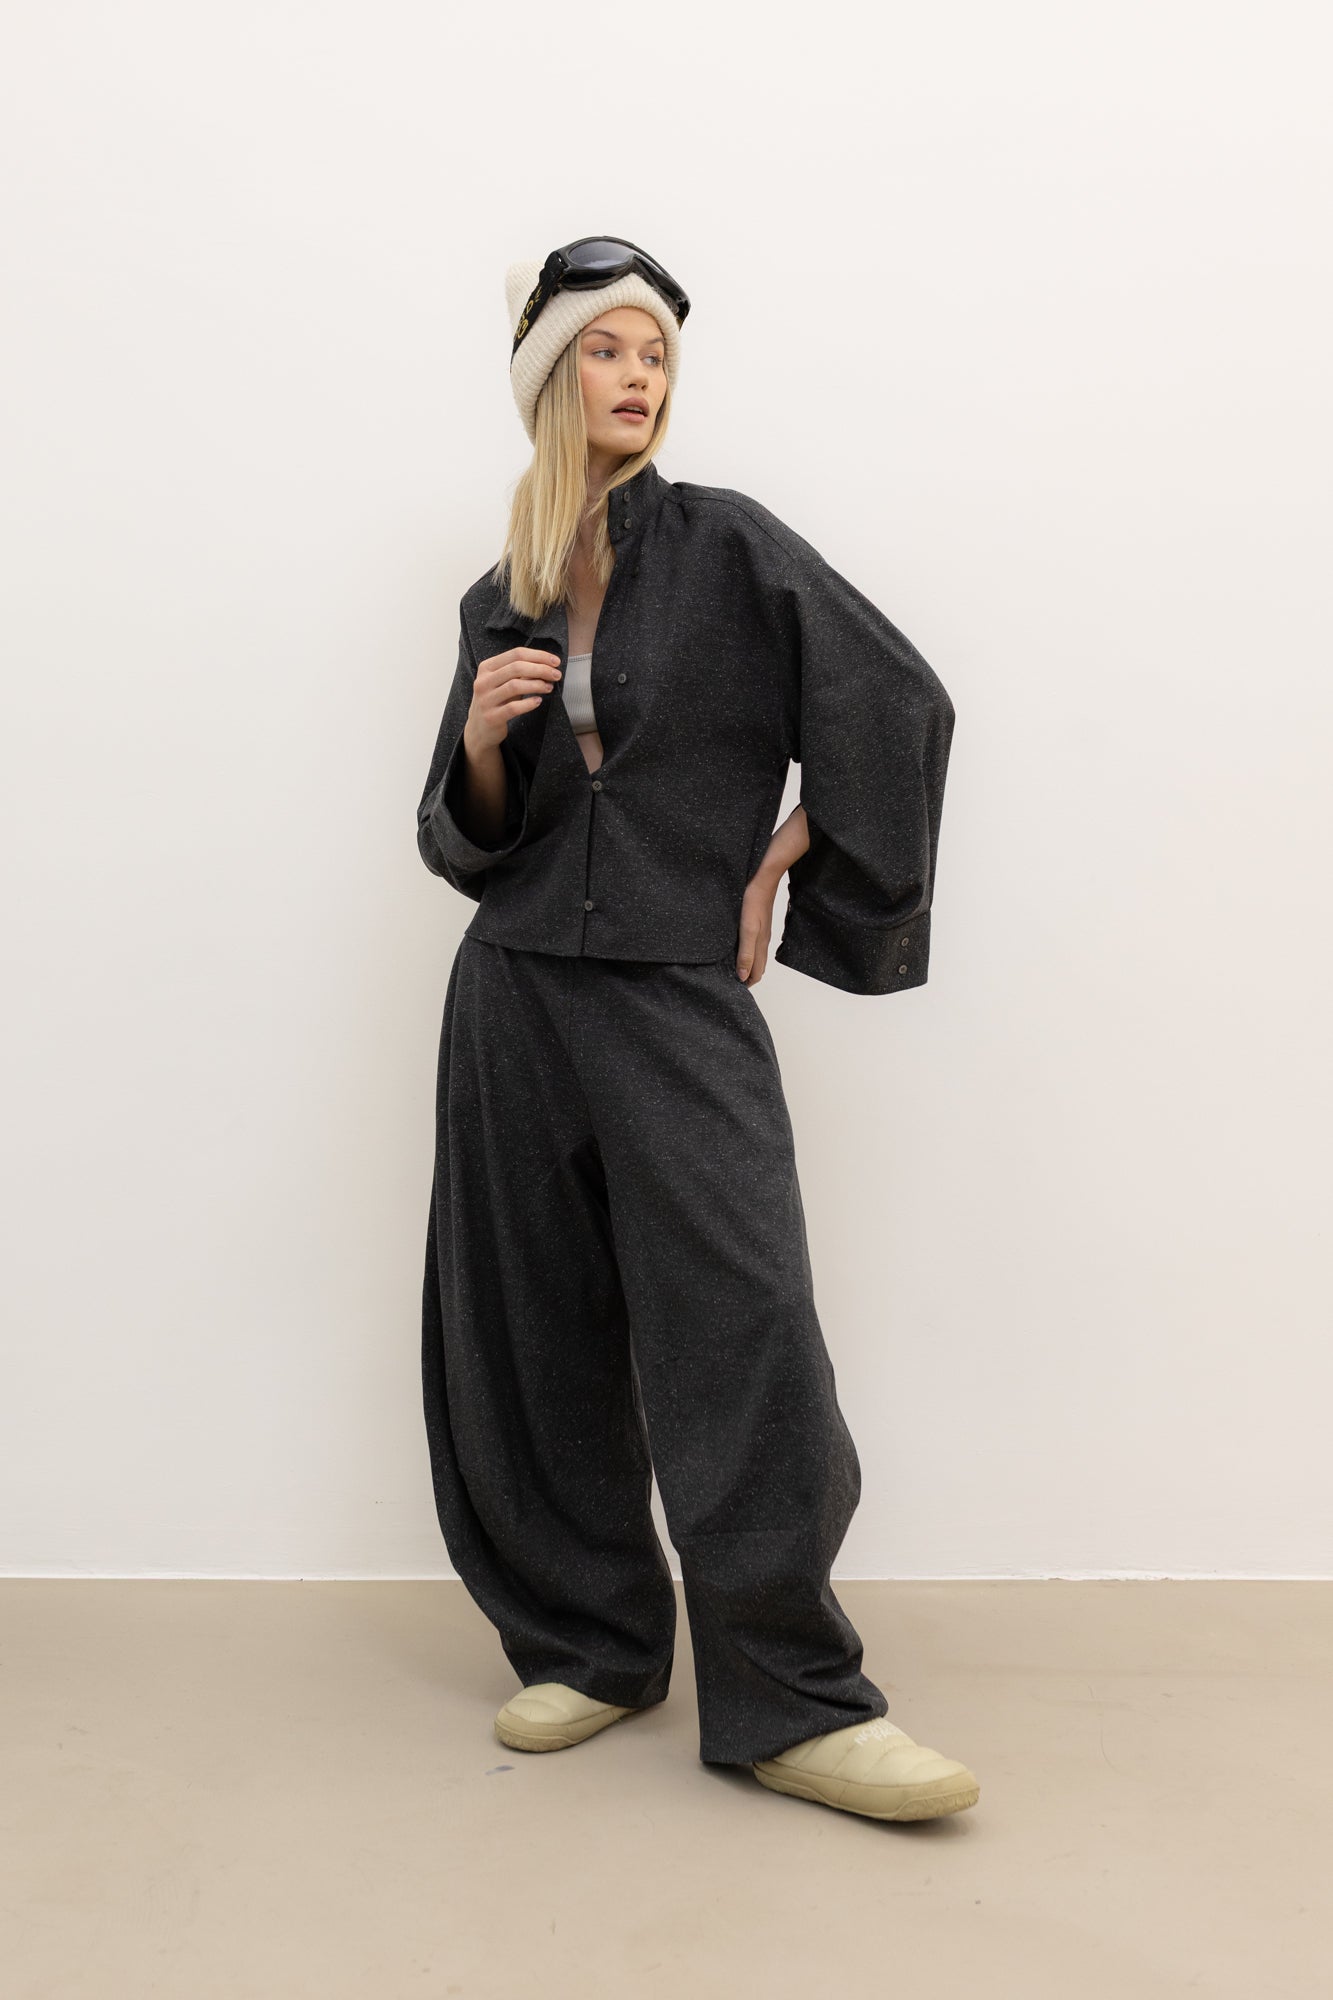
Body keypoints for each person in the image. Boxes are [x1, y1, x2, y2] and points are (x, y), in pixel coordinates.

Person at [416, 236, 979, 1823]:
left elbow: (894, 700)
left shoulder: (728, 547)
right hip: (515, 991)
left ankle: (793, 1697)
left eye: (653, 352)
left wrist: (797, 854)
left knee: (741, 1322)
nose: (637, 376)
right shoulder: (501, 595)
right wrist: (482, 743)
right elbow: (463, 835)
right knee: (528, 1328)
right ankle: (591, 1645)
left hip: (671, 989)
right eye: (605, 350)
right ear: (548, 380)